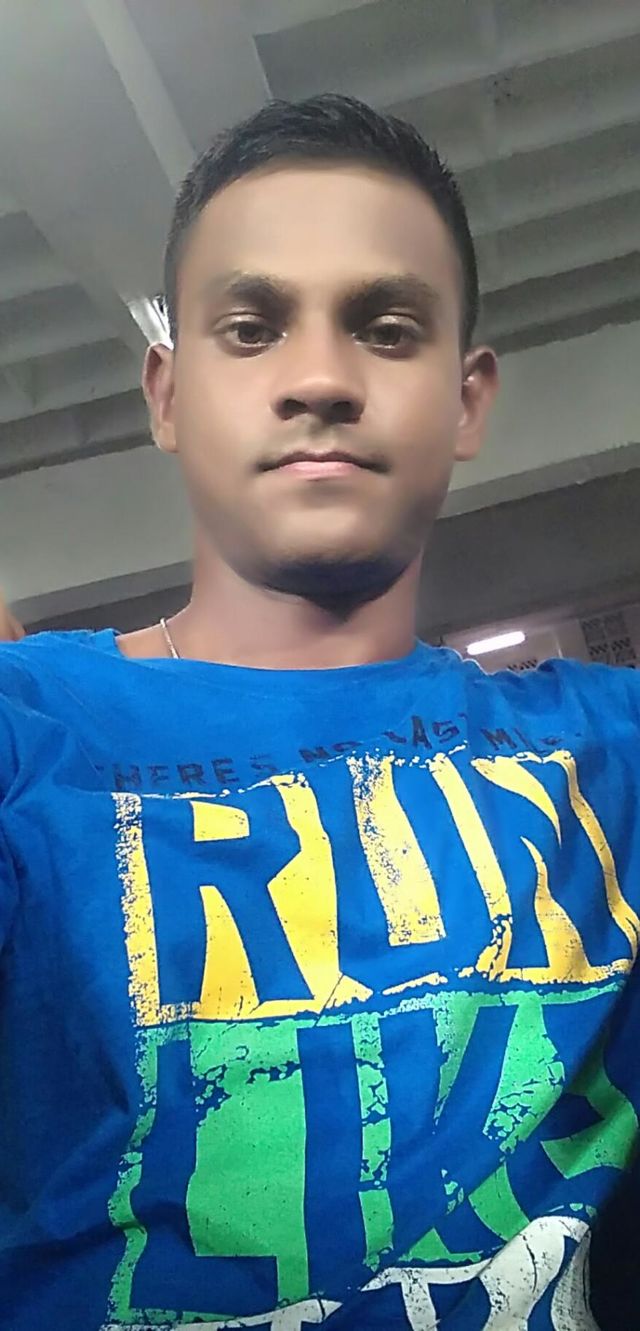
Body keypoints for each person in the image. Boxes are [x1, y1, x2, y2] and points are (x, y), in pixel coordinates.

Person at [0, 94, 636, 1331]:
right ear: (167, 394)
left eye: (385, 329)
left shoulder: (606, 754)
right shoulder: (30, 731)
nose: (319, 380)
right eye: (252, 328)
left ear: (466, 398)